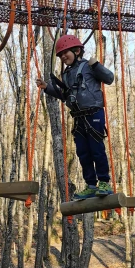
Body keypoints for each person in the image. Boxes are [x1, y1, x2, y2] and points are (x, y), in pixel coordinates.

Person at [38, 34, 114, 200]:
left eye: (66, 53)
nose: (63, 57)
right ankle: (91, 185)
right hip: (78, 117)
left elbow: (109, 78)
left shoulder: (89, 66)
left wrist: (96, 65)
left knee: (96, 149)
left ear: (77, 51)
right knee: (83, 152)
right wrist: (47, 88)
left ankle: (104, 182)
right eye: (60, 55)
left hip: (93, 114)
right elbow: (65, 95)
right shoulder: (66, 74)